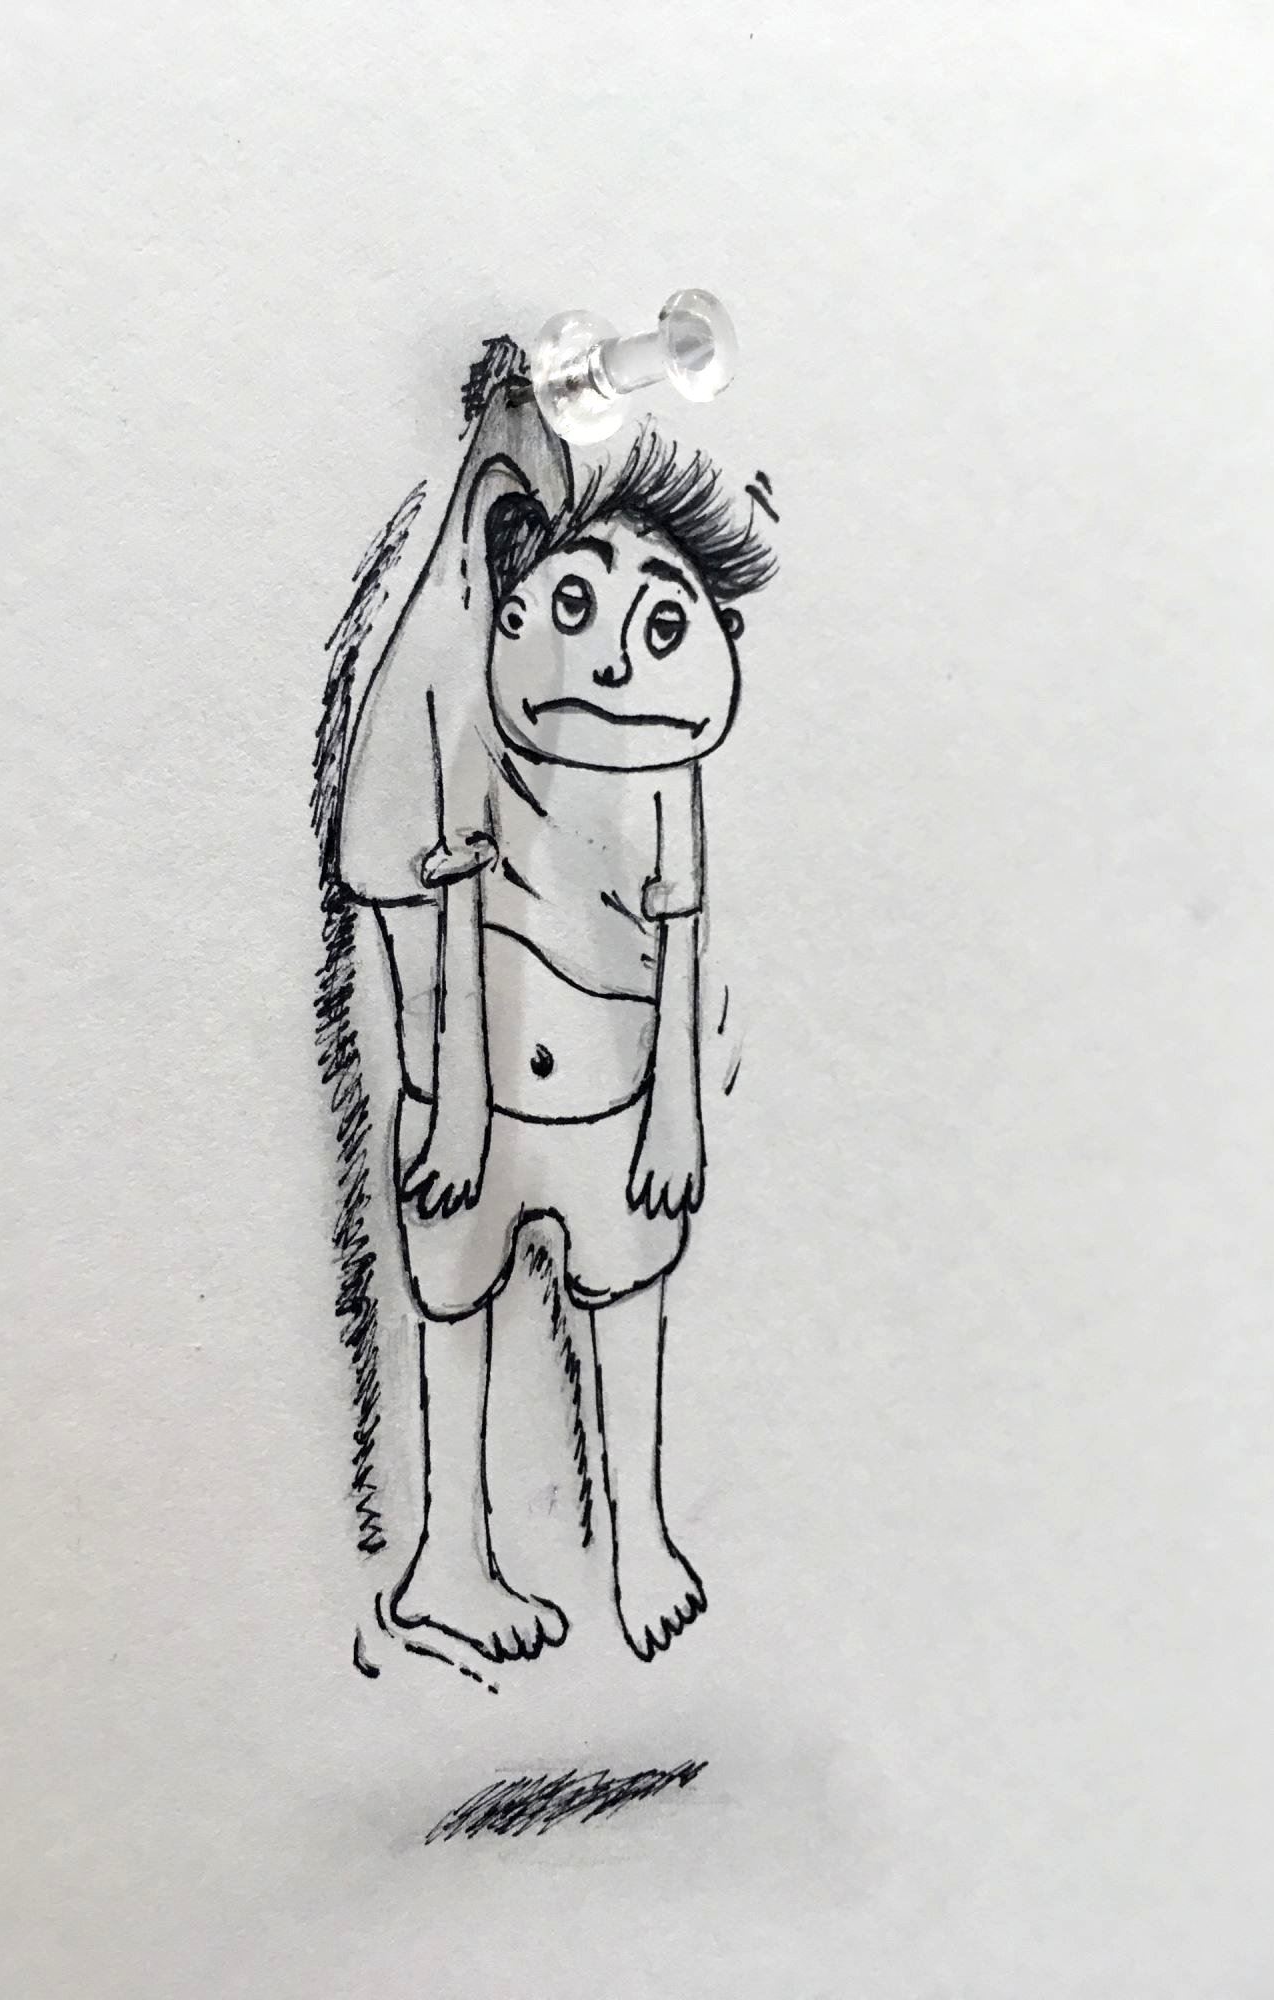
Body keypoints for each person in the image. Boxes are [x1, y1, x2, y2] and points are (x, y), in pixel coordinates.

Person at [339, 362, 774, 1663]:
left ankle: (640, 1537)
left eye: (661, 628)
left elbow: (680, 935)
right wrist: (459, 1112)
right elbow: (448, 920)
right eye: (575, 605)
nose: (613, 660)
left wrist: (676, 1118)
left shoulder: (658, 777)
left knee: (626, 1305)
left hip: (613, 1108)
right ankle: (447, 1561)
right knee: (453, 1309)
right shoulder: (471, 730)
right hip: (472, 1108)